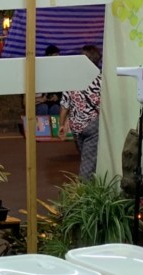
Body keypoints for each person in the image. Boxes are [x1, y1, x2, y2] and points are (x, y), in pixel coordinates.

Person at [58, 45, 102, 179]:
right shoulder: (101, 80)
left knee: (86, 158)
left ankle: (88, 183)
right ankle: (86, 187)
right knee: (89, 161)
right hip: (93, 125)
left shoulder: (72, 79)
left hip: (76, 127)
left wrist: (61, 124)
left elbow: (65, 104)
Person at [36, 44, 62, 116]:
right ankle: (41, 124)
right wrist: (42, 98)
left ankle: (54, 124)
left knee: (56, 108)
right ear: (49, 56)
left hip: (53, 102)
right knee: (43, 108)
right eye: (55, 55)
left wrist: (57, 96)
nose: (57, 57)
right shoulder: (41, 69)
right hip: (41, 101)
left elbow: (62, 88)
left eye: (58, 55)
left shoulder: (60, 70)